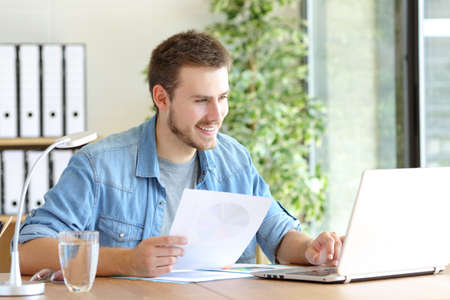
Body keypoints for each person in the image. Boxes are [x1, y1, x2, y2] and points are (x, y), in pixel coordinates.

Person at [18, 30, 344, 278]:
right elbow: (28, 251)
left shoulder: (235, 159)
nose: (217, 115)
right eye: (202, 100)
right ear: (162, 98)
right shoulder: (99, 164)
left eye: (223, 97)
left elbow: (279, 234)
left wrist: (312, 250)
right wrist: (127, 261)